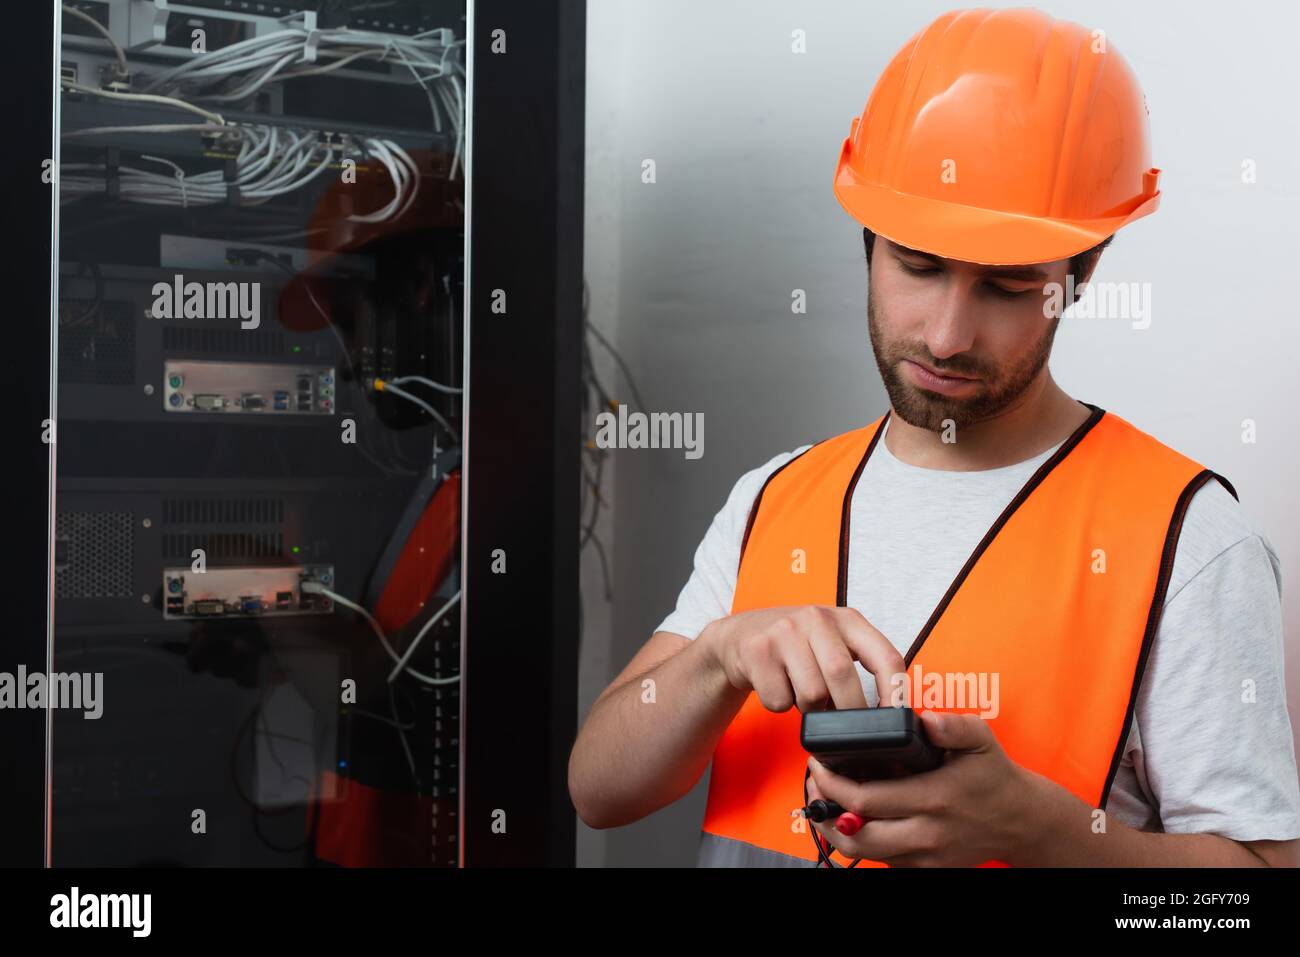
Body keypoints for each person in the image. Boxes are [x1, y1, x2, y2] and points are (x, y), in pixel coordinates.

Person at [568, 7, 1300, 867]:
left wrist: (1049, 836)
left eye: (1006, 284)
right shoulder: (775, 498)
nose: (948, 335)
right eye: (918, 265)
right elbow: (598, 791)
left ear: (1084, 270)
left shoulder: (1188, 539)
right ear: (868, 240)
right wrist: (716, 659)